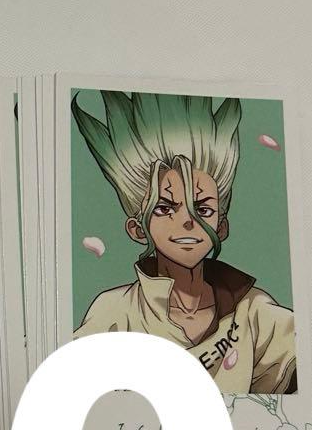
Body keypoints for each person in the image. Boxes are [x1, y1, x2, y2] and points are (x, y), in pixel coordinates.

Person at [72, 90, 297, 394]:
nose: (187, 221)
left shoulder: (255, 312)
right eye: (165, 208)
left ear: (222, 225)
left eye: (202, 209)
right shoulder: (114, 314)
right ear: (137, 229)